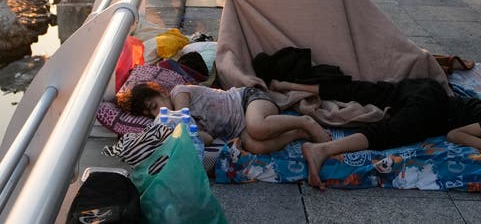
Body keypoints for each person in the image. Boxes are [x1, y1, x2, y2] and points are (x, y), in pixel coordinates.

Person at [270, 78, 481, 190]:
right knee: (393, 133)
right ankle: (322, 150)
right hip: (432, 103)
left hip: (424, 93)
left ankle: (287, 84)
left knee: (366, 91)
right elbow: (456, 135)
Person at [117, 81, 331, 154]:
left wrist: (169, 127)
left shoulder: (179, 93)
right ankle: (297, 133)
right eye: (151, 114)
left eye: (155, 106)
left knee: (257, 127)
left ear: (162, 92)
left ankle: (305, 121)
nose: (157, 113)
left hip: (248, 100)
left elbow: (182, 116)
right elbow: (207, 140)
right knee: (255, 146)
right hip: (239, 128)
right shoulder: (180, 123)